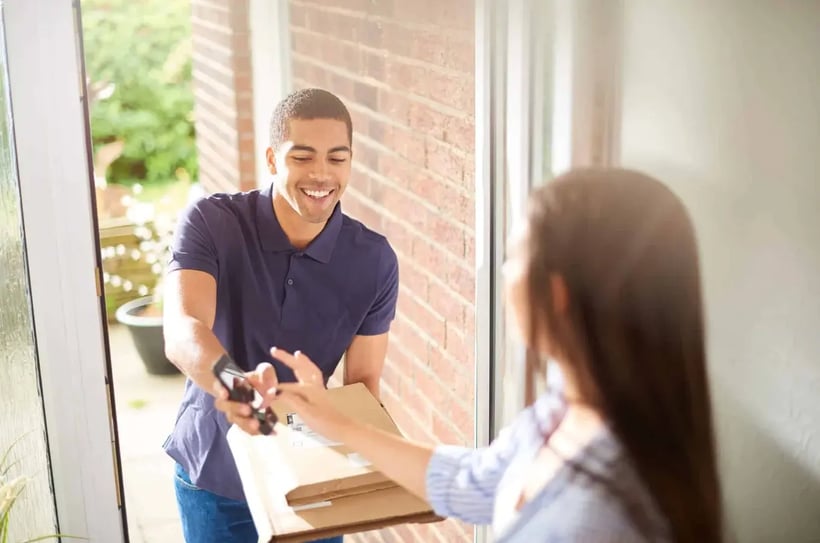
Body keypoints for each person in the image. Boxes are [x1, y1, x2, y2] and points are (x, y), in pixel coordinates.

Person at [217, 168, 725, 542]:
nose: (502, 276)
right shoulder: (565, 409)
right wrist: (336, 423)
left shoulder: (600, 518)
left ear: (559, 292)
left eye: (513, 257)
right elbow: (474, 481)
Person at [162, 88, 399, 543]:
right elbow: (182, 329)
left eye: (337, 158)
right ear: (273, 159)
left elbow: (364, 384)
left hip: (312, 477)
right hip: (215, 475)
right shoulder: (212, 222)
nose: (322, 174)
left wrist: (370, 461)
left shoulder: (374, 260)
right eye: (303, 157)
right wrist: (237, 384)